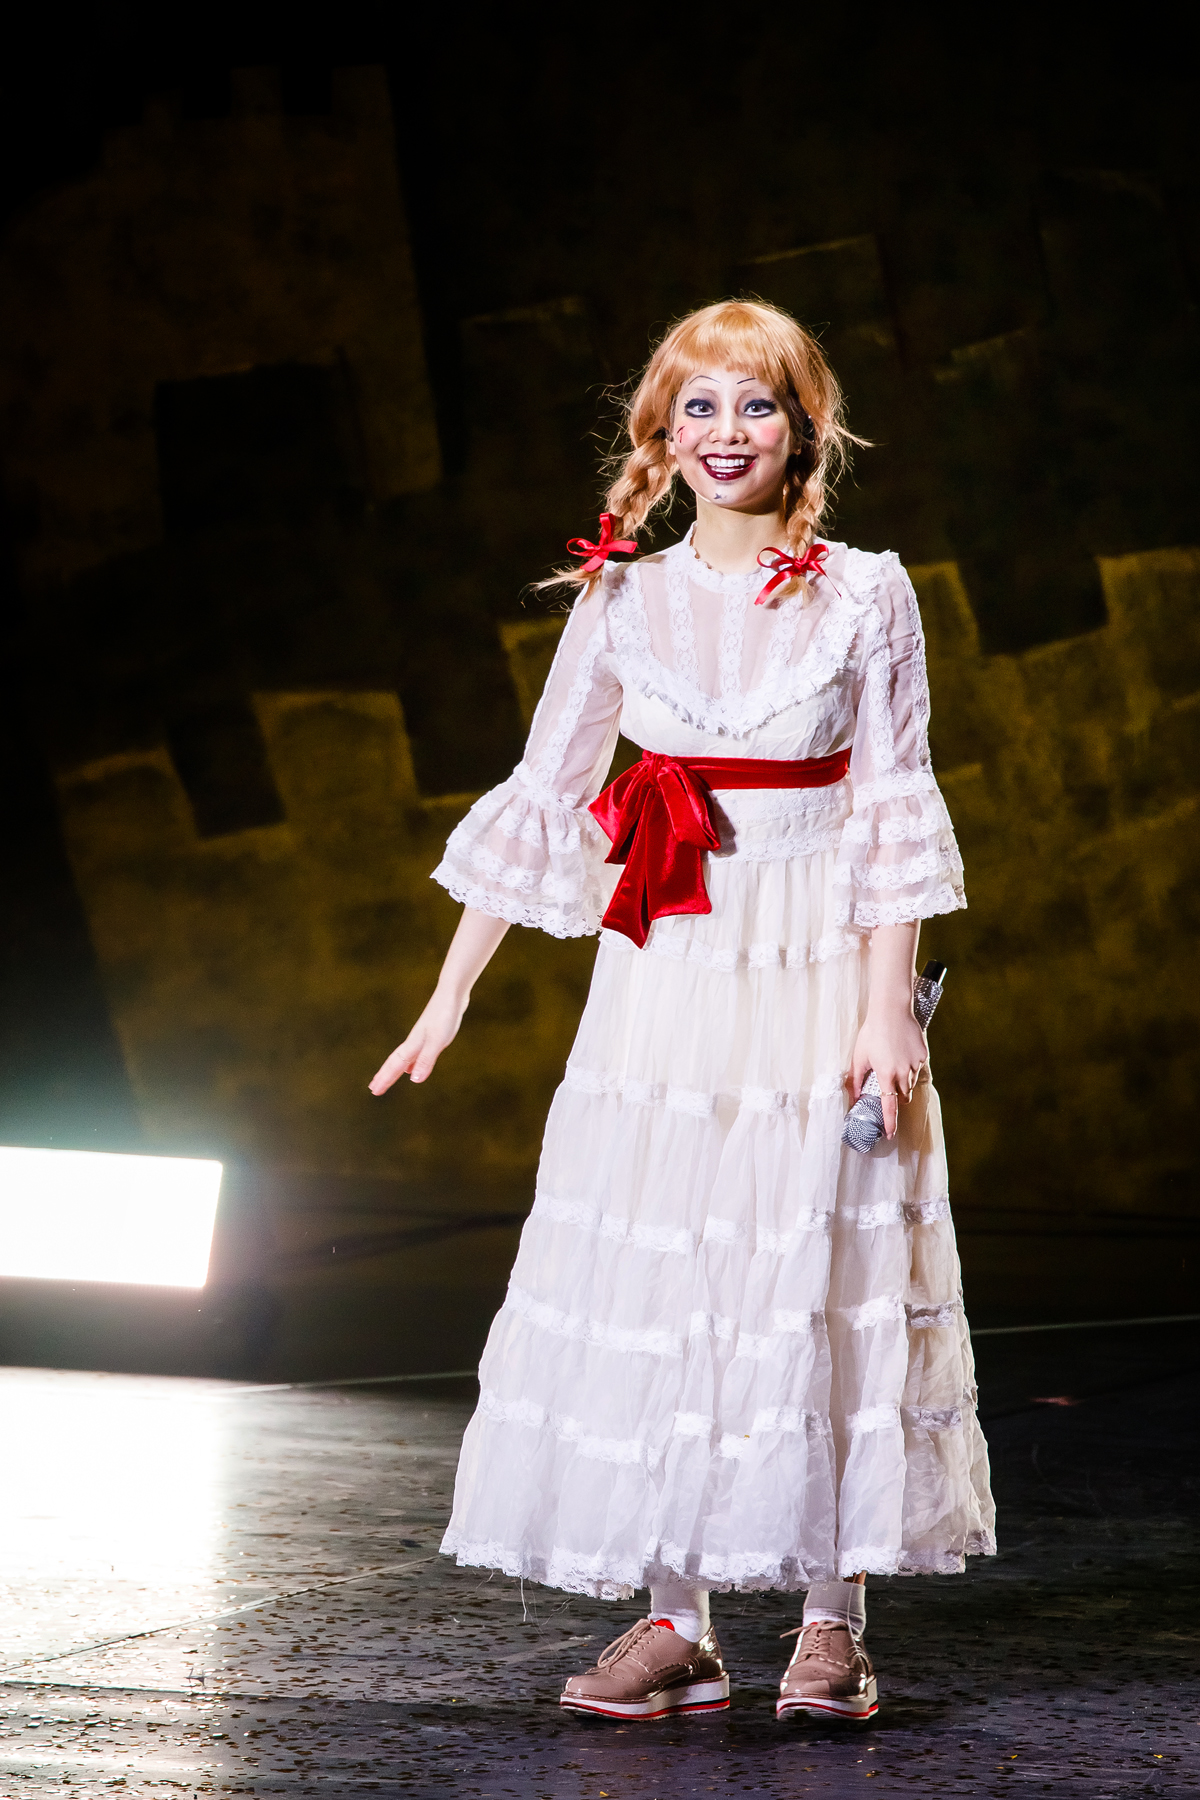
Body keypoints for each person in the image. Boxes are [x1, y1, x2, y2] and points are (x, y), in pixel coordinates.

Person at [370, 299, 995, 1723]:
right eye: (699, 406)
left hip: (815, 959)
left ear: (803, 429)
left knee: (816, 1264)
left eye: (756, 404)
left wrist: (886, 1010)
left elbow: (891, 805)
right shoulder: (622, 600)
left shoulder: (865, 594)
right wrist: (450, 993)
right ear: (663, 431)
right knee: (669, 1271)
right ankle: (676, 1621)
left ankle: (831, 1622)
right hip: (669, 974)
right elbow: (547, 795)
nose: (728, 432)